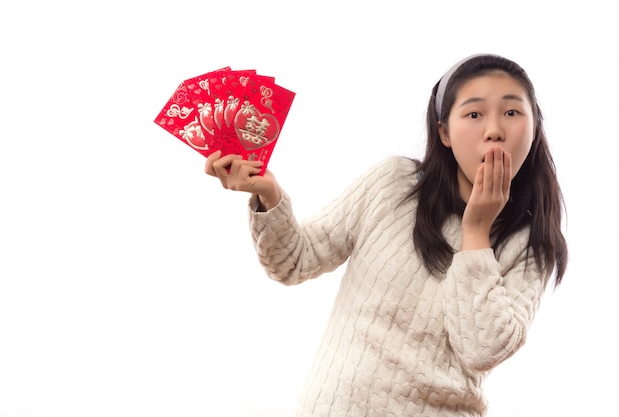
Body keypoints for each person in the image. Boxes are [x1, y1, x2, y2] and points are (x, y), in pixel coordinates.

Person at [204, 54, 568, 417]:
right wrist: (268, 194)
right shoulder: (393, 183)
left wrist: (476, 232)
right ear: (444, 131)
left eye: (511, 112)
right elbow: (293, 261)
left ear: (534, 127)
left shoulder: (533, 246)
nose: (494, 130)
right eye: (474, 114)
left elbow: (483, 349)